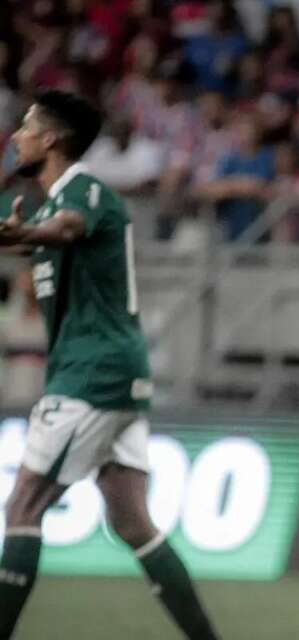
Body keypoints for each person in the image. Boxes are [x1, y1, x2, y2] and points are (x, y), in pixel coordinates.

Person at [0, 90, 219, 639]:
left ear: (50, 139)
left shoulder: (84, 190)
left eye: (25, 127)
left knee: (23, 505)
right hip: (110, 373)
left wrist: (28, 234)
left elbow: (69, 228)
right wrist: (24, 223)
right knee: (131, 520)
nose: (15, 137)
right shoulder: (45, 202)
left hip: (92, 373)